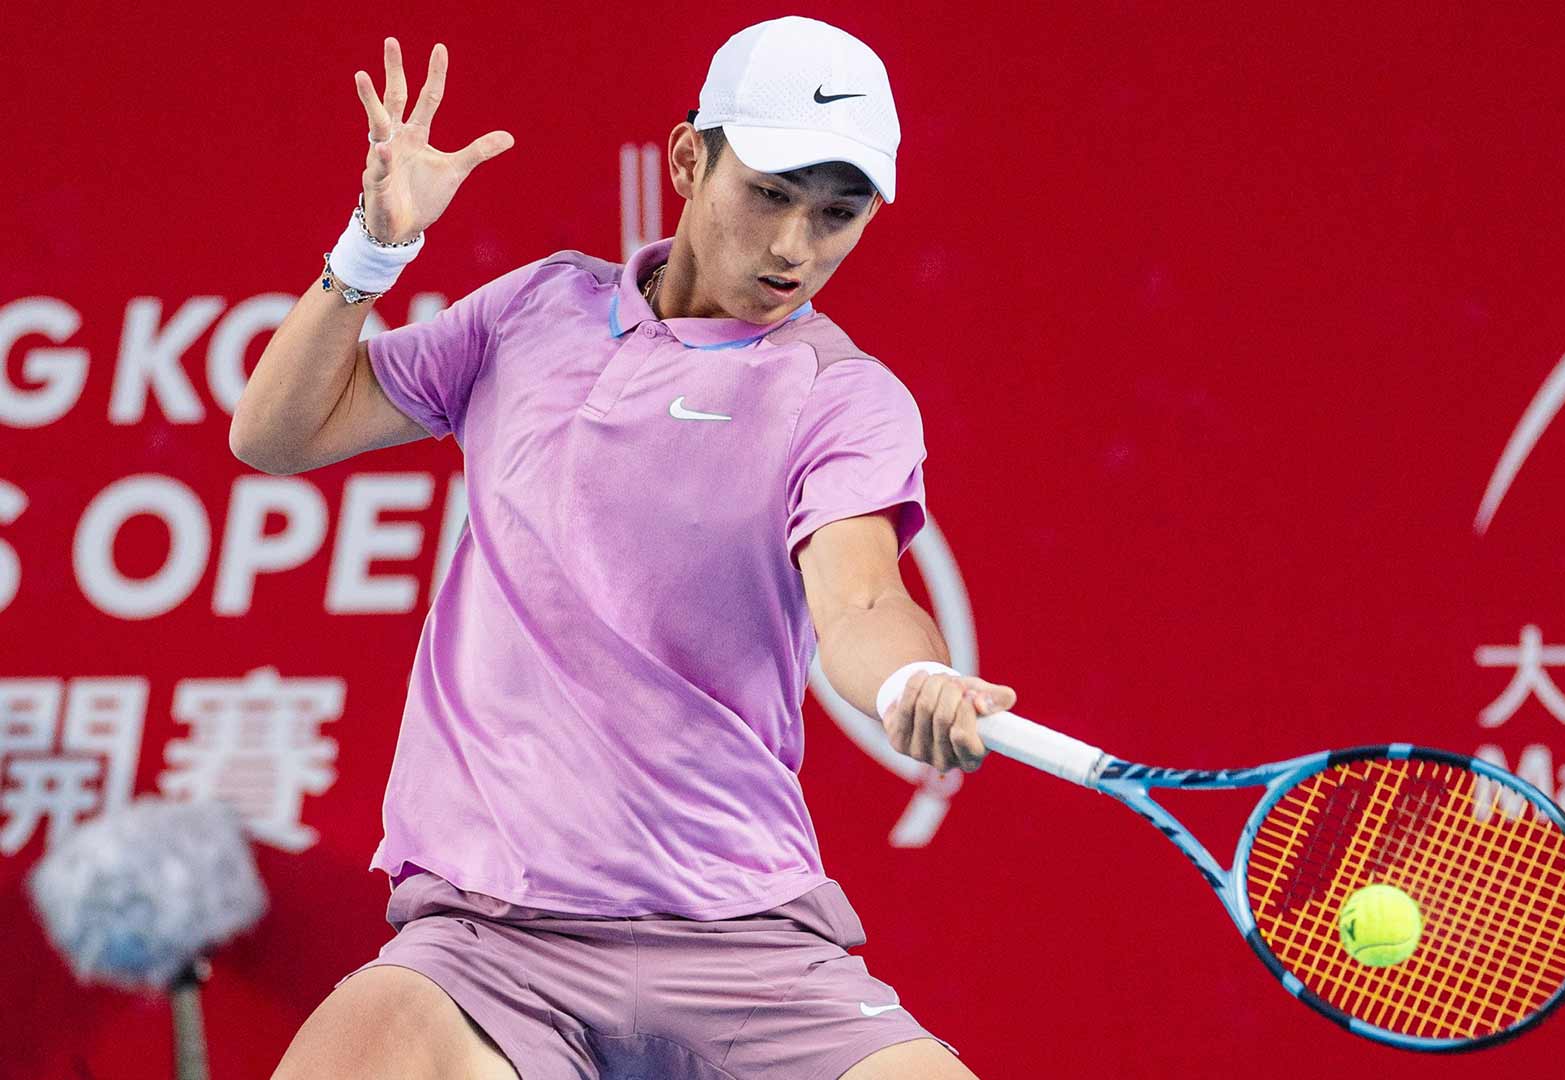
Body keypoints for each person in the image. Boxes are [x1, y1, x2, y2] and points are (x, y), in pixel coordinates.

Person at [236, 17, 1012, 1079]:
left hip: (743, 944)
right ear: (689, 160)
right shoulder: (536, 310)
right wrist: (373, 248)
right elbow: (276, 433)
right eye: (770, 194)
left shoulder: (842, 397)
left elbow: (862, 597)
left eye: (838, 213)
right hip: (489, 942)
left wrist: (914, 679)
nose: (796, 248)